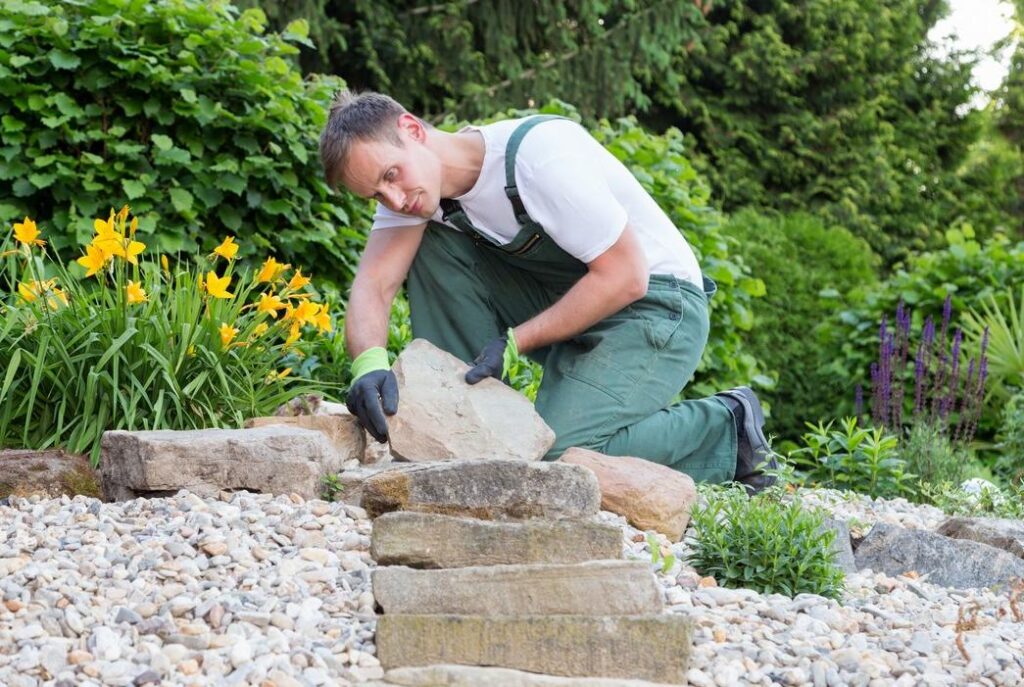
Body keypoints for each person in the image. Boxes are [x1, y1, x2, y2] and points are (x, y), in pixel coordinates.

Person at [318, 90, 776, 491]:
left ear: (412, 129)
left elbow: (627, 276)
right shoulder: (419, 198)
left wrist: (516, 343)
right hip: (576, 303)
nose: (394, 199)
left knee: (560, 456)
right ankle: (464, 430)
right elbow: (374, 286)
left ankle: (725, 428)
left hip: (657, 305)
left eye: (391, 175)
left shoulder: (537, 158)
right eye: (377, 195)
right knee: (431, 240)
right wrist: (368, 366)